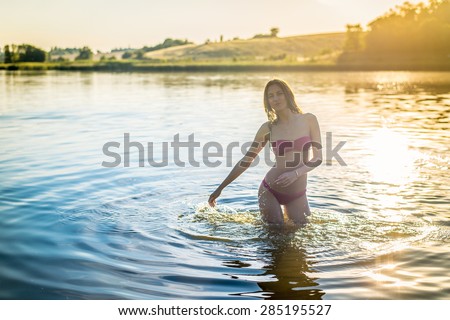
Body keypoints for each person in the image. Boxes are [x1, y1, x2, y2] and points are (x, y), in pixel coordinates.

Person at [208, 79, 322, 225]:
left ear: (288, 95)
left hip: (298, 193)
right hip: (270, 191)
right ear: (267, 101)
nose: (275, 99)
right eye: (271, 96)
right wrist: (220, 188)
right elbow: (246, 161)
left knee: (302, 232)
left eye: (279, 93)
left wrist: (295, 174)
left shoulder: (309, 120)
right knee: (276, 233)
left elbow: (317, 158)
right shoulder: (267, 129)